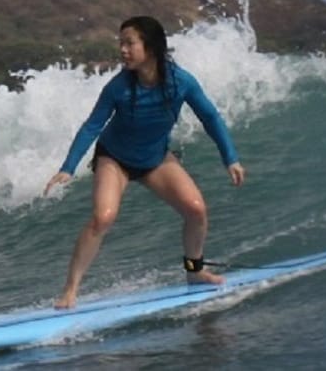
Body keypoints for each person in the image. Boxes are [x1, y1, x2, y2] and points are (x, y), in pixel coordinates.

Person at [44, 16, 246, 309]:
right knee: (103, 217)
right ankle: (70, 290)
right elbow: (92, 126)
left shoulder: (181, 82)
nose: (122, 49)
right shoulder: (118, 87)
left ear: (150, 47)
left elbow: (210, 117)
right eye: (121, 43)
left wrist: (231, 158)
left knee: (196, 209)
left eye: (129, 43)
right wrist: (68, 167)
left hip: (155, 158)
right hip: (115, 158)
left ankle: (195, 272)